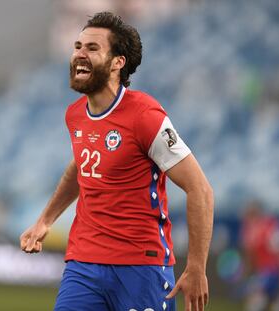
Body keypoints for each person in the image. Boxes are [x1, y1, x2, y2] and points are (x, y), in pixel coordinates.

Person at [20, 12, 214, 311]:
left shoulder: (144, 116)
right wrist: (45, 219)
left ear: (117, 62)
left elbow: (199, 189)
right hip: (83, 263)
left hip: (140, 266)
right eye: (77, 46)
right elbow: (81, 166)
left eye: (92, 48)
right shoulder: (74, 115)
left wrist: (197, 267)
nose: (79, 54)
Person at [240, 200, 279, 311]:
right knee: (261, 302)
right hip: (262, 272)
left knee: (261, 302)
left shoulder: (270, 226)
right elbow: (250, 256)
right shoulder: (247, 230)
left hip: (274, 271)